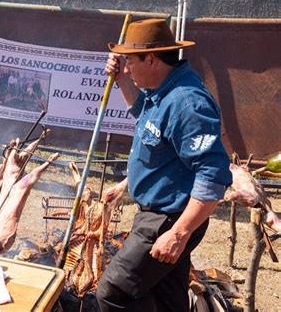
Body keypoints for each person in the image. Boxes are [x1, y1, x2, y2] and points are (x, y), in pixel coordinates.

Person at [96, 19, 232, 311]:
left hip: (167, 220)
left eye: (131, 61)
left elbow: (212, 175)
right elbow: (145, 116)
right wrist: (121, 78)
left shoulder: (187, 103)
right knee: (167, 297)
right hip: (158, 216)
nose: (128, 68)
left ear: (152, 59)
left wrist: (178, 233)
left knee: (113, 292)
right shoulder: (162, 93)